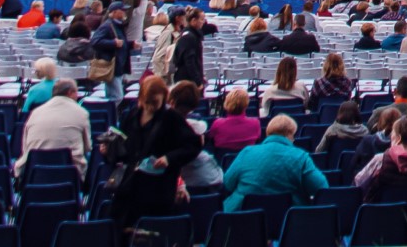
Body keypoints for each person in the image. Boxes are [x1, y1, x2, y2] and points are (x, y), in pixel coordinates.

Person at [111, 75, 205, 230]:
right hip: (131, 187)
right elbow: (124, 150)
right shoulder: (132, 115)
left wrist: (169, 158)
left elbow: (193, 145)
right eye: (147, 102)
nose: (150, 107)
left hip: (158, 189)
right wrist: (110, 150)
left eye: (155, 103)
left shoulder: (171, 118)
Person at [223, 113, 327, 211]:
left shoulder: (246, 152)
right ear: (289, 134)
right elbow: (321, 187)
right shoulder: (301, 157)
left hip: (243, 216)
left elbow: (228, 183)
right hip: (287, 221)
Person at [14, 78, 90, 176]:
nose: (77, 96)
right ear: (70, 92)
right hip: (69, 175)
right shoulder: (82, 113)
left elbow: (25, 148)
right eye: (76, 92)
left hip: (35, 174)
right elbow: (87, 147)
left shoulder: (35, 113)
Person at [90, 3, 133, 101]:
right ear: (114, 12)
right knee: (117, 97)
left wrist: (131, 44)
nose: (124, 12)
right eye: (122, 10)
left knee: (114, 96)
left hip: (118, 67)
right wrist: (113, 43)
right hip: (112, 67)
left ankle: (112, 115)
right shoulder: (107, 26)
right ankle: (111, 115)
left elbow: (121, 43)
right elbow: (95, 41)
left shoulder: (118, 25)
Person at [209, 88, 263, 152]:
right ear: (246, 104)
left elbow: (211, 140)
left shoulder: (217, 124)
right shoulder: (255, 123)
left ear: (226, 103)